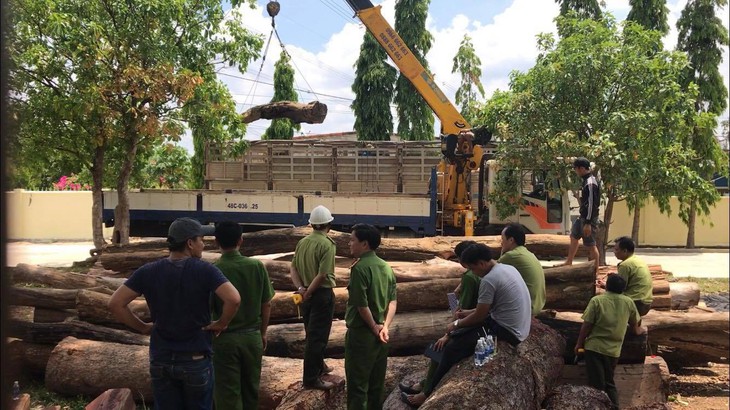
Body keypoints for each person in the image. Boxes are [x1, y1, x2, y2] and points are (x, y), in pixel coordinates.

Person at [108, 217, 241, 410]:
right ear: (190, 243)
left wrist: (143, 327)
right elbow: (234, 299)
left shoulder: (148, 271)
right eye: (201, 240)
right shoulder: (205, 270)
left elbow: (115, 303)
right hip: (195, 359)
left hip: (161, 359)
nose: (203, 244)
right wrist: (221, 323)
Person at [401, 243, 531, 407]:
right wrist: (465, 313)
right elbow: (484, 309)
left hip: (505, 331)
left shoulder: (485, 280)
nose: (472, 272)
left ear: (481, 263)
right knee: (450, 340)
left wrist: (454, 325)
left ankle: (426, 392)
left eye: (471, 268)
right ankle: (425, 383)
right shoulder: (506, 268)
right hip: (514, 326)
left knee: (448, 348)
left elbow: (479, 316)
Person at [398, 240, 481, 397]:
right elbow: (456, 303)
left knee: (437, 348)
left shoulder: (470, 277)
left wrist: (447, 334)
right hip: (474, 323)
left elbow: (459, 312)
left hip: (469, 326)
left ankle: (425, 391)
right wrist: (454, 295)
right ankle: (423, 383)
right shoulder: (473, 275)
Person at [211, 221, 275, 409]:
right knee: (250, 392)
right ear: (241, 240)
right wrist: (262, 333)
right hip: (251, 337)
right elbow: (267, 303)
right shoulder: (256, 266)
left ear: (216, 242)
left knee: (227, 395)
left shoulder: (214, 270)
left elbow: (208, 309)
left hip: (224, 339)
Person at [345, 223, 397, 410]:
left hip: (362, 334)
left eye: (352, 240)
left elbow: (361, 305)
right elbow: (393, 301)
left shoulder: (359, 268)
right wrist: (385, 326)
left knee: (357, 386)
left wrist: (374, 327)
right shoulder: (385, 267)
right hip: (383, 335)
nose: (349, 244)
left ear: (364, 244)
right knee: (376, 385)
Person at [576, 274, 644, 409]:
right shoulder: (628, 302)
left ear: (607, 286)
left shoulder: (597, 301)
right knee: (609, 382)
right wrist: (642, 331)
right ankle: (615, 407)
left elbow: (587, 325)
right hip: (613, 350)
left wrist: (579, 343)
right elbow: (636, 328)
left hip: (594, 348)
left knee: (597, 385)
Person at [290, 205, 338, 390]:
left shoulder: (302, 242)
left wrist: (301, 289)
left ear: (311, 225)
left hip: (306, 294)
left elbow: (293, 268)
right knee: (317, 337)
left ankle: (320, 365)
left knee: (312, 332)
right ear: (329, 225)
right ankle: (310, 379)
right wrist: (309, 291)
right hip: (320, 294)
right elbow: (323, 275)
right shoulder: (327, 244)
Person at [597, 236, 653, 316]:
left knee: (600, 300)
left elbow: (619, 289)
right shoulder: (637, 260)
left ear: (625, 251)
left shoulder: (625, 265)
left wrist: (605, 286)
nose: (614, 252)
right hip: (646, 303)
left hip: (636, 304)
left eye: (616, 249)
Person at [499, 223, 546, 316]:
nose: (501, 243)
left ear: (511, 240)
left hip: (527, 308)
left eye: (502, 239)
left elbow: (490, 272)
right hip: (537, 305)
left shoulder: (511, 256)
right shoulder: (526, 252)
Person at [564, 157, 600, 270]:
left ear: (581, 168)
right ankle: (569, 261)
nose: (575, 171)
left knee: (591, 245)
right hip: (583, 217)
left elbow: (591, 203)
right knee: (574, 236)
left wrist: (588, 222)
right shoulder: (586, 180)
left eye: (576, 169)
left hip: (589, 219)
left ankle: (596, 270)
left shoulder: (590, 183)